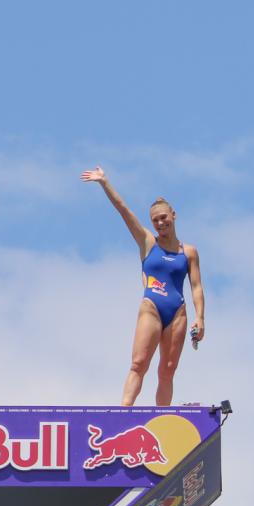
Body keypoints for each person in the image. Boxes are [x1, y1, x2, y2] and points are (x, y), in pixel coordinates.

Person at [81, 166, 205, 406]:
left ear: (173, 215)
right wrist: (104, 182)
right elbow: (124, 211)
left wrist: (200, 318)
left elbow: (197, 287)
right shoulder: (148, 242)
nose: (160, 223)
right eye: (155, 220)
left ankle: (162, 417)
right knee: (139, 363)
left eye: (163, 217)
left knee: (167, 370)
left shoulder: (188, 252)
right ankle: (122, 411)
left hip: (177, 311)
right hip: (152, 307)